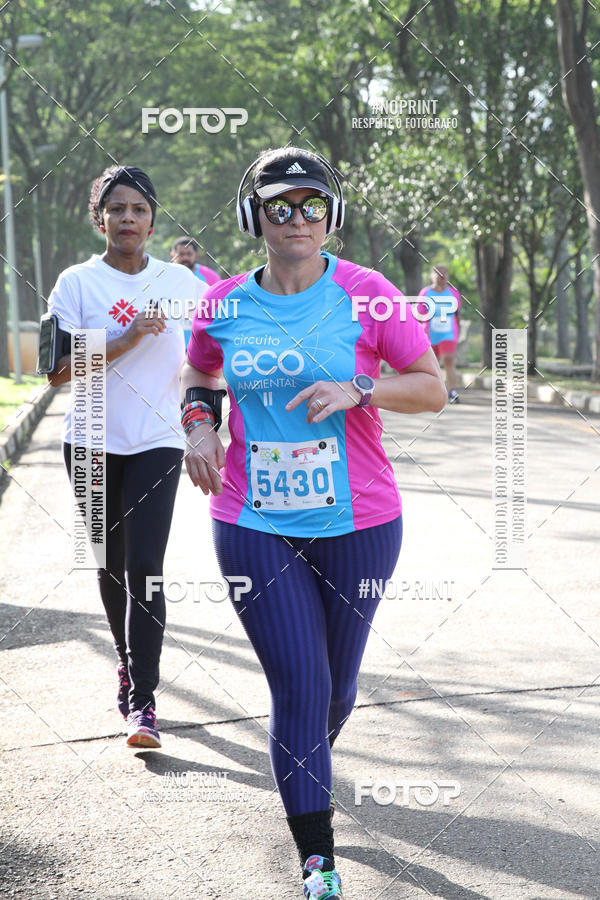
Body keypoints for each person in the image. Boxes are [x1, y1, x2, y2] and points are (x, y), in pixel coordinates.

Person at [180, 147, 446, 899]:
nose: (298, 218)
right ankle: (318, 862)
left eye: (312, 204)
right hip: (253, 521)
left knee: (336, 693)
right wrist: (200, 424)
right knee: (299, 685)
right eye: (280, 204)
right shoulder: (223, 302)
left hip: (361, 523)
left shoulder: (370, 294)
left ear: (332, 214)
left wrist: (359, 386)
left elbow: (432, 390)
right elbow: (200, 374)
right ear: (252, 214)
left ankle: (303, 764)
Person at [46, 165, 205, 749]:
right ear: (100, 218)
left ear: (153, 219)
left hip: (157, 439)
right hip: (87, 439)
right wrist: (127, 338)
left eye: (139, 209)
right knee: (109, 565)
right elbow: (55, 372)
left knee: (146, 568)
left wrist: (208, 425)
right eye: (117, 209)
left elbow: (209, 360)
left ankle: (143, 702)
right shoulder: (76, 284)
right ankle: (125, 660)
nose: (128, 219)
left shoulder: (183, 284)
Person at [418, 264, 462, 402]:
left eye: (444, 273)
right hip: (429, 333)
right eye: (438, 273)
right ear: (432, 276)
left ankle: (452, 391)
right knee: (430, 364)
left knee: (448, 359)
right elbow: (419, 315)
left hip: (448, 332)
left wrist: (458, 330)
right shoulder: (425, 293)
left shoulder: (453, 293)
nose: (442, 276)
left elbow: (457, 314)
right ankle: (430, 392)